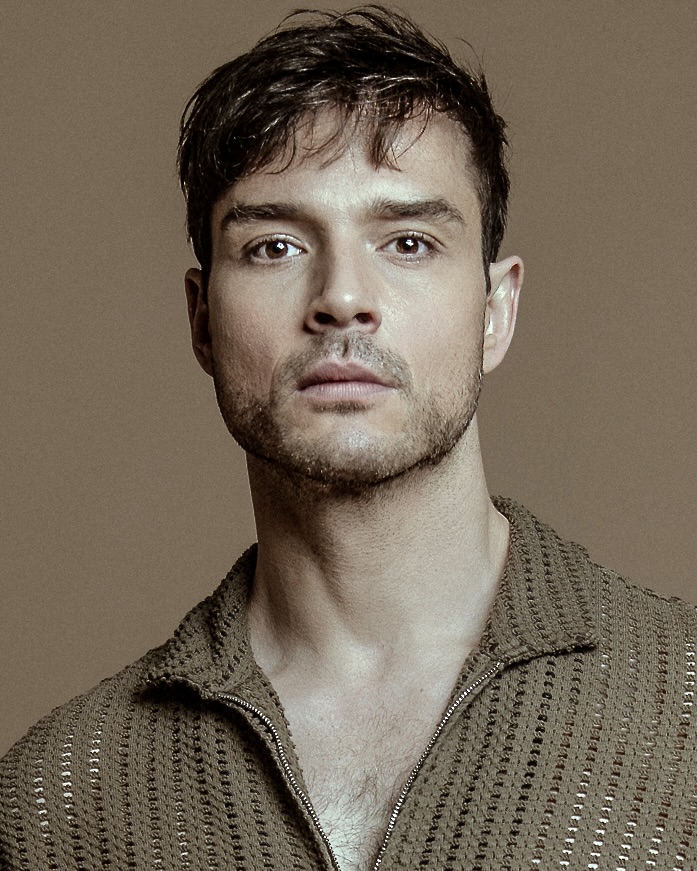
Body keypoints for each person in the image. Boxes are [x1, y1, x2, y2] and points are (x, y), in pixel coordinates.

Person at [1, 6, 694, 869]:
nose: (341, 297)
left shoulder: (681, 704)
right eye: (274, 246)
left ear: (495, 310)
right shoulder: (54, 799)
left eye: (407, 242)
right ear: (202, 320)